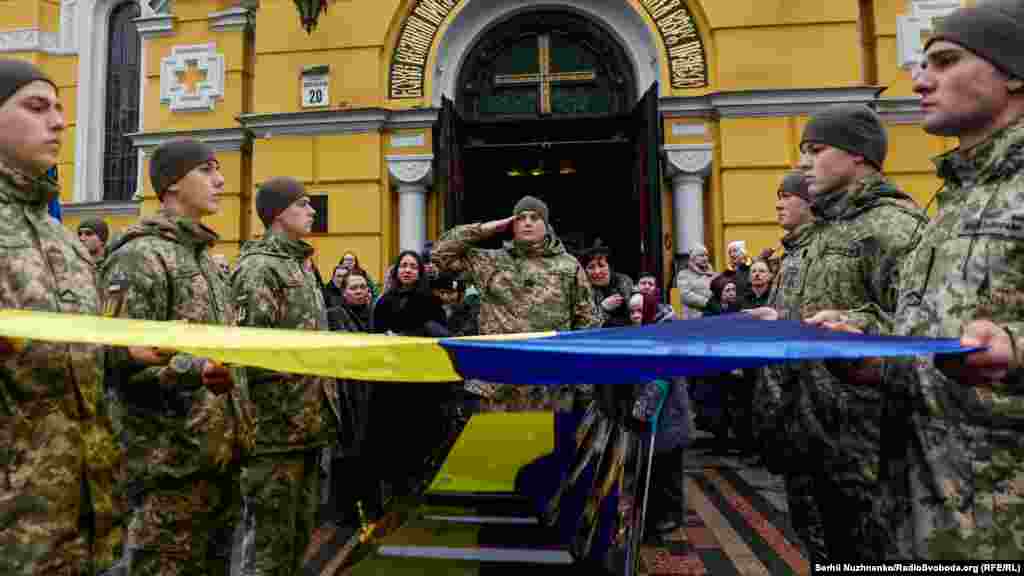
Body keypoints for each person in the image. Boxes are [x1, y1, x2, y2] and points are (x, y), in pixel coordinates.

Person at [810, 1, 1024, 559]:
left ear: (1014, 73)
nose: (920, 80)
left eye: (946, 61)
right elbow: (932, 336)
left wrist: (1015, 349)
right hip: (921, 515)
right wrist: (873, 350)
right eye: (923, 64)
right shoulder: (954, 198)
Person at [746, 103, 928, 561]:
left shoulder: (893, 227)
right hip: (816, 436)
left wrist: (858, 328)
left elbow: (926, 333)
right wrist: (780, 323)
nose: (803, 162)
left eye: (816, 150)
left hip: (871, 449)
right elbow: (822, 311)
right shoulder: (826, 228)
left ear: (857, 155)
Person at [101, 138, 254, 575]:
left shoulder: (203, 259)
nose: (220, 180)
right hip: (166, 472)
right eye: (206, 170)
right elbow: (115, 363)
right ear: (171, 184)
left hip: (217, 463)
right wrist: (192, 370)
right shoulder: (140, 257)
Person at [0, 57, 122, 576]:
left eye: (58, 108)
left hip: (80, 511)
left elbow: (82, 362)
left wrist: (129, 352)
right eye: (36, 107)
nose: (57, 121)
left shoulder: (65, 242)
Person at [231, 176, 342, 575]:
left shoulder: (300, 265)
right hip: (274, 432)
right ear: (279, 213)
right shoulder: (260, 267)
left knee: (296, 541)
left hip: (307, 427)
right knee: (268, 548)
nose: (312, 211)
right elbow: (248, 351)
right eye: (302, 204)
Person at [432, 195, 600, 408]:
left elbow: (587, 321)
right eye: (521, 218)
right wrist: (488, 228)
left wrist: (582, 380)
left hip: (550, 384)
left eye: (535, 217)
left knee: (550, 431)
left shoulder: (568, 266)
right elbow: (440, 253)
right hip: (497, 383)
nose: (527, 222)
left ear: (546, 225)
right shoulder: (490, 261)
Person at [628, 292, 691, 542]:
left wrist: (640, 411)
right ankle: (657, 517)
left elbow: (660, 379)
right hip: (659, 418)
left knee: (664, 471)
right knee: (657, 470)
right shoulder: (645, 332)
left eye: (639, 311)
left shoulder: (663, 337)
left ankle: (666, 518)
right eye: (632, 312)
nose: (635, 316)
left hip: (666, 417)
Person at [580, 239, 633, 328]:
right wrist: (603, 308)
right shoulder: (582, 290)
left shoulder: (625, 281)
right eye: (591, 267)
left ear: (610, 267)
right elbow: (585, 325)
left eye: (601, 266)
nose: (597, 271)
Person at [327, 268, 375, 333]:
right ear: (343, 291)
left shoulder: (375, 311)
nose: (359, 291)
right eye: (353, 288)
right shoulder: (334, 314)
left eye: (363, 287)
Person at [675, 243, 715, 319]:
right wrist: (707, 302)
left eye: (706, 255)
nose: (705, 258)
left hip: (713, 314)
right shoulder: (684, 274)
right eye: (701, 256)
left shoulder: (712, 273)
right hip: (694, 316)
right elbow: (685, 295)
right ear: (693, 258)